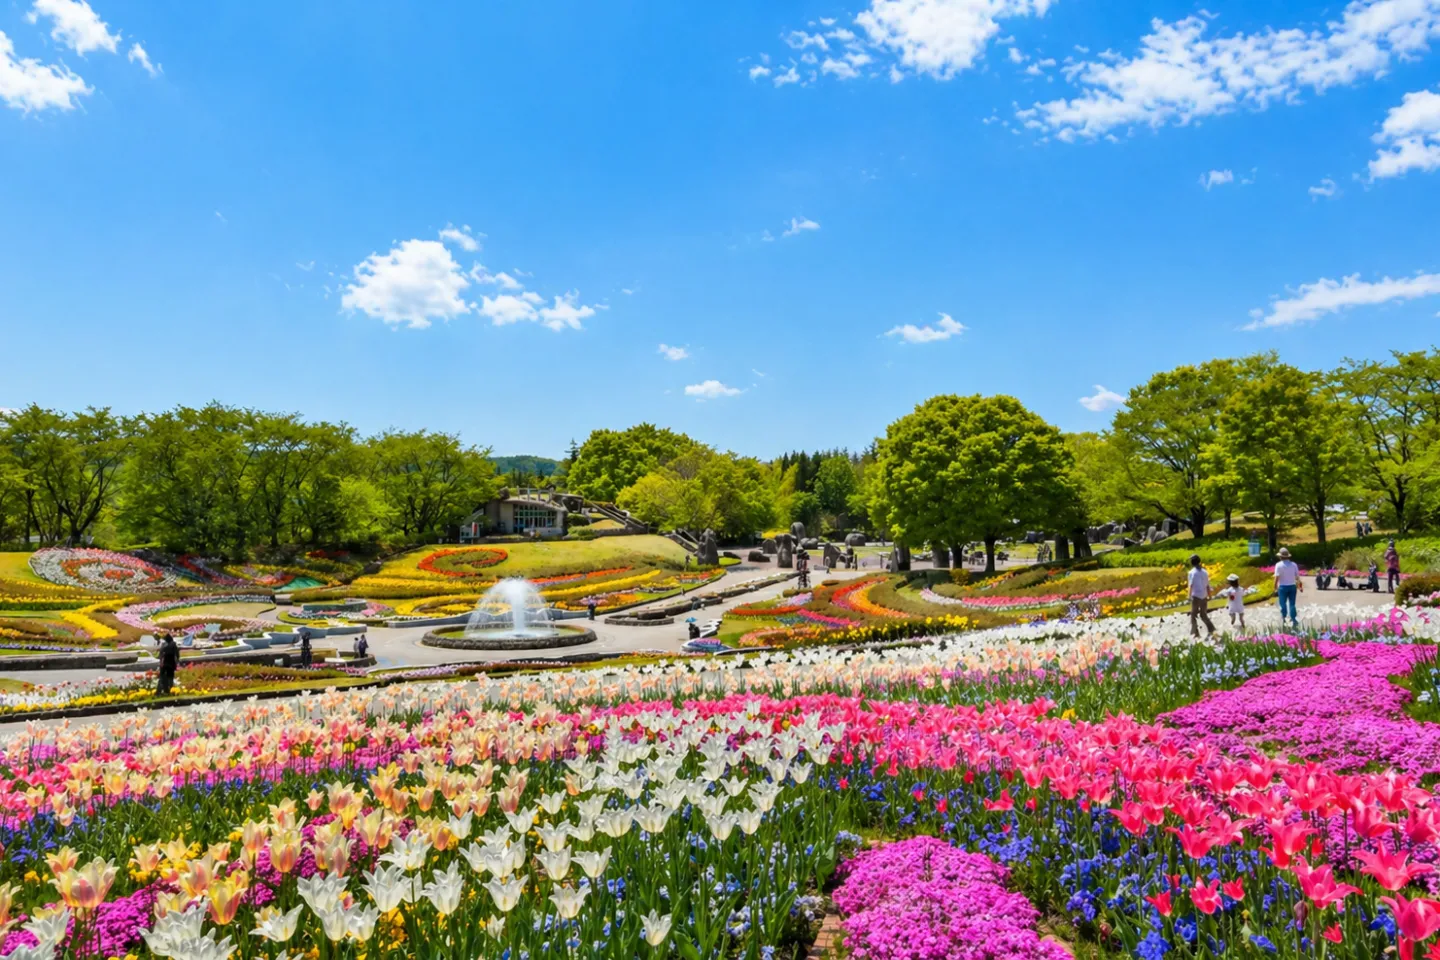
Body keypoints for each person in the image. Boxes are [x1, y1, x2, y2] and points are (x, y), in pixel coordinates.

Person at [1187, 554, 1216, 638]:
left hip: (1196, 596)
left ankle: (1195, 634)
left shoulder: (1192, 573)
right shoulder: (1204, 572)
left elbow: (1191, 585)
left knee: (1194, 615)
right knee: (1203, 614)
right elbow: (1207, 585)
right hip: (1204, 596)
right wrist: (1209, 595)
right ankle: (1212, 629)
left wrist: (1189, 596)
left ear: (1192, 562)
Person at [1273, 547, 1302, 627]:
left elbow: (1276, 578)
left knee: (1283, 604)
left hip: (1282, 587)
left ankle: (1284, 618)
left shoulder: (1278, 565)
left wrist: (1275, 588)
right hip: (1292, 586)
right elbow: (1297, 577)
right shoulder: (1293, 565)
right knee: (1292, 604)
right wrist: (1300, 586)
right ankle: (1293, 619)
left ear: (1280, 557)